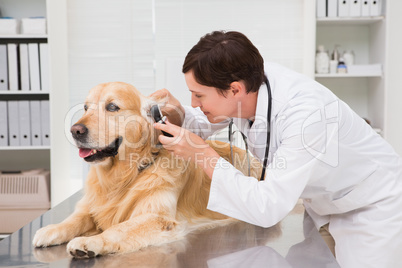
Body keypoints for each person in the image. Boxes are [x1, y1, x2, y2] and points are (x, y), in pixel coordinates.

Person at [152, 30, 402, 267]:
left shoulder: (306, 115)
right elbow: (206, 120)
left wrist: (202, 154)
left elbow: (268, 207)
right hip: (324, 202)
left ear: (235, 89)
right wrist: (177, 114)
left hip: (371, 205)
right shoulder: (245, 83)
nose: (194, 103)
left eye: (199, 95)